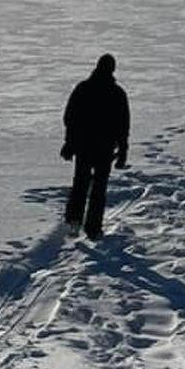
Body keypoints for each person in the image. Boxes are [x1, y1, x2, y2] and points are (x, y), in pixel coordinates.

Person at [61, 53, 130, 239]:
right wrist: (123, 151)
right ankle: (93, 228)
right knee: (99, 188)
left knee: (80, 183)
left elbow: (70, 118)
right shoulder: (117, 93)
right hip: (104, 149)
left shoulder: (83, 88)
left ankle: (74, 221)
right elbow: (123, 126)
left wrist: (69, 143)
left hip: (84, 146)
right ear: (112, 69)